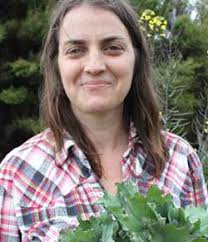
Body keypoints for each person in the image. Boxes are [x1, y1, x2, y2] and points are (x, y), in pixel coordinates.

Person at [0, 0, 207, 241]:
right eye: (75, 50)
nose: (95, 66)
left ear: (136, 58)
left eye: (112, 47)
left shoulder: (181, 159)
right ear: (57, 64)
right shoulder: (17, 173)